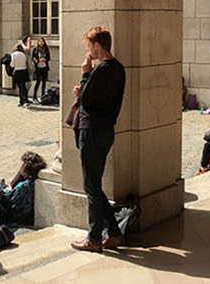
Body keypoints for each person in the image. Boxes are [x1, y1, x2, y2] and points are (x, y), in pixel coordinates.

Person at [71, 26, 126, 252]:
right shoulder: (119, 69)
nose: (87, 50)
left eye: (88, 45)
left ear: (97, 45)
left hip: (92, 130)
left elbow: (87, 100)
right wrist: (85, 88)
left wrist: (85, 75)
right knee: (94, 184)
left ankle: (94, 238)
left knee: (91, 186)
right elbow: (96, 97)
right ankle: (113, 233)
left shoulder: (101, 69)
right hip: (107, 130)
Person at [9, 42, 30, 106]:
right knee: (23, 86)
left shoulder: (14, 54)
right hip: (24, 70)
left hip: (17, 71)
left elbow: (12, 64)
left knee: (20, 87)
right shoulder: (23, 54)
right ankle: (25, 98)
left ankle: (21, 100)